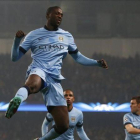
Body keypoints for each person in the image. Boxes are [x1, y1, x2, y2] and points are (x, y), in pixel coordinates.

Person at [5, 6, 108, 140]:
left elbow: (78, 57)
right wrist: (17, 41)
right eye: (57, 14)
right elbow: (15, 58)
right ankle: (17, 99)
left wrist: (96, 63)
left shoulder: (66, 36)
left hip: (55, 79)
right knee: (32, 85)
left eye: (61, 15)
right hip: (39, 69)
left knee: (63, 125)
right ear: (48, 15)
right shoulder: (34, 34)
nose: (60, 16)